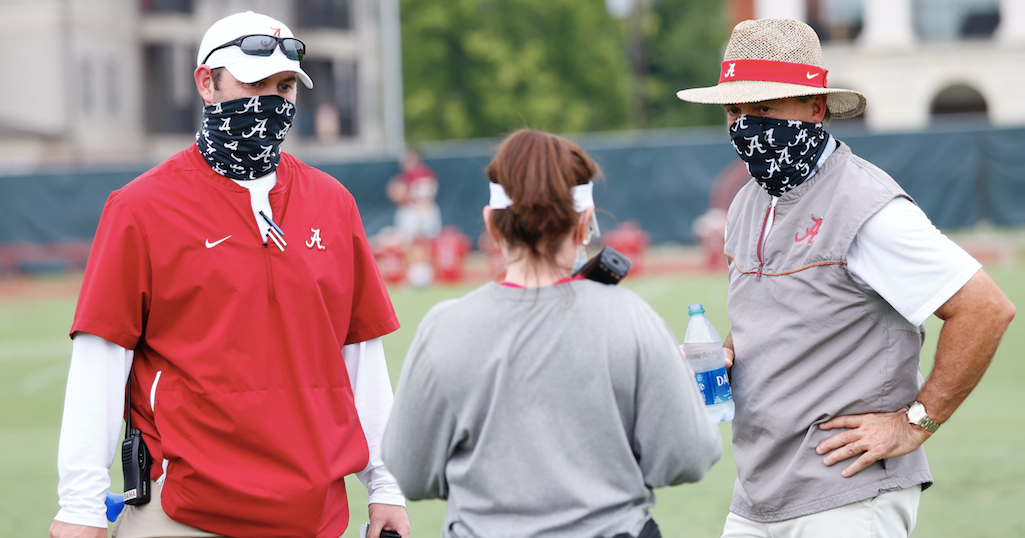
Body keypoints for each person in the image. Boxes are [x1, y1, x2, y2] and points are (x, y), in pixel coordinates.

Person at [49, 11, 410, 538]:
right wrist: (79, 507)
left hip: (312, 515)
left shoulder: (334, 204)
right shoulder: (139, 208)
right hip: (181, 513)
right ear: (206, 82)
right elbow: (100, 359)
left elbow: (361, 360)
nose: (271, 99)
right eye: (254, 81)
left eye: (284, 86)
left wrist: (386, 486)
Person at [675, 18, 1015, 538]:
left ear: (815, 108)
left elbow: (985, 307)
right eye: (734, 109)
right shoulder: (748, 200)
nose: (745, 124)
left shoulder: (866, 204)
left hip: (849, 491)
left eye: (763, 108)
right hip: (759, 491)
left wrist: (914, 423)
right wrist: (726, 352)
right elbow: (781, 315)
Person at [381, 129, 723, 538]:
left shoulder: (445, 327)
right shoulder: (631, 319)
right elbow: (689, 456)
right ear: (584, 223)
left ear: (492, 225)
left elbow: (410, 471)